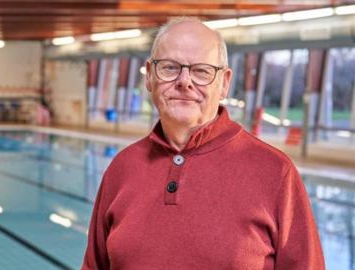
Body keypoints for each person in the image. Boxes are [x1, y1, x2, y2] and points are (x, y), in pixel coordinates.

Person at [82, 17, 325, 270]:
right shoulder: (121, 168)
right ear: (149, 76)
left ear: (224, 83)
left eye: (201, 71)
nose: (184, 81)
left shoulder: (276, 173)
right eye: (169, 67)